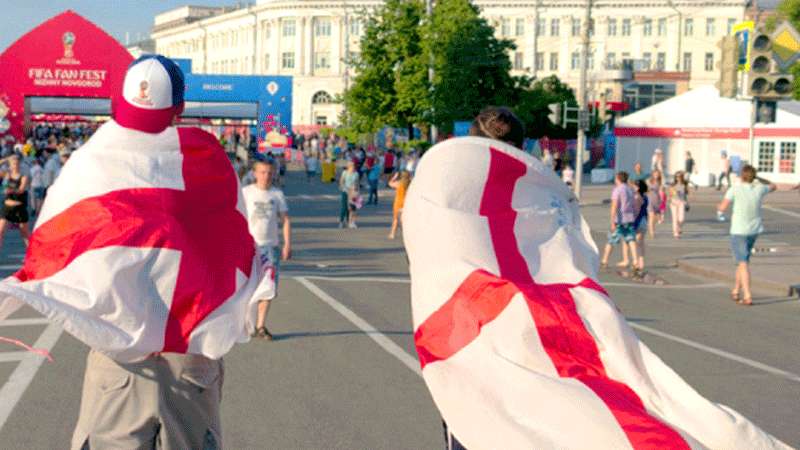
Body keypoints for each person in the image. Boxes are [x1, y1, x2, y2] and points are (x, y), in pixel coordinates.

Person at [242, 159, 292, 339]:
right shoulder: (246, 193)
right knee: (247, 286)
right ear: (254, 173)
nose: (266, 176)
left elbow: (285, 220)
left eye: (270, 173)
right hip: (249, 247)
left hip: (270, 247)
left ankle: (260, 326)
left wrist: (287, 244)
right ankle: (243, 322)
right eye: (262, 172)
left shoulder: (277, 194)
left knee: (269, 287)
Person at [717, 165, 776, 306]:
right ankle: (736, 290)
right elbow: (774, 186)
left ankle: (748, 295)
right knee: (743, 260)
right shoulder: (759, 188)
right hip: (754, 230)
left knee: (742, 263)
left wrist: (719, 208)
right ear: (753, 177)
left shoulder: (735, 189)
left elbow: (723, 207)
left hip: (739, 230)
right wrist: (758, 178)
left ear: (741, 176)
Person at [600, 171, 639, 272]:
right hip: (629, 218)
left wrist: (612, 221)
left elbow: (614, 206)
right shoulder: (630, 190)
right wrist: (634, 216)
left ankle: (605, 260)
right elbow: (635, 205)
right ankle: (635, 261)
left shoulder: (617, 190)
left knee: (611, 240)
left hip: (619, 219)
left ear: (618, 179)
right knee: (630, 239)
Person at [0, 155, 31, 249]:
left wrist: (11, 190)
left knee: (25, 234)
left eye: (17, 163)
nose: (15, 165)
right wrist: (5, 159)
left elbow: (21, 190)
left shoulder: (23, 177)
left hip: (19, 207)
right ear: (10, 165)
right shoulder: (6, 175)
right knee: (0, 232)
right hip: (7, 207)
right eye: (13, 163)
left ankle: (32, 256)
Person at [388, 171, 411, 239]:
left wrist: (394, 177)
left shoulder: (398, 184)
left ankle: (392, 234)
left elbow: (390, 183)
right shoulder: (409, 183)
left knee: (395, 219)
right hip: (406, 203)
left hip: (398, 203)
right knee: (403, 219)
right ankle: (405, 233)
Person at [339, 159, 360, 228]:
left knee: (353, 208)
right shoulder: (344, 172)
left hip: (353, 193)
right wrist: (344, 188)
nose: (353, 167)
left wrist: (357, 191)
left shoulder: (356, 174)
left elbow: (357, 183)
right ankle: (341, 222)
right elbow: (341, 182)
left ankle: (351, 222)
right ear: (348, 166)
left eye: (354, 165)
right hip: (345, 191)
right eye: (352, 166)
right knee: (344, 207)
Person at [669, 171, 689, 238]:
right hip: (674, 202)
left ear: (682, 177)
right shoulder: (673, 185)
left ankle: (679, 227)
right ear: (675, 177)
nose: (678, 178)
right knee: (675, 219)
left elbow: (686, 194)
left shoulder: (684, 185)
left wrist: (687, 203)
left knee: (681, 219)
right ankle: (676, 233)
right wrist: (673, 192)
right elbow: (670, 194)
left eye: (680, 176)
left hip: (682, 202)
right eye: (677, 176)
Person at [646, 170, 664, 238]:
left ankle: (651, 226)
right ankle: (652, 232)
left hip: (657, 201)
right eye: (655, 174)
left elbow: (661, 192)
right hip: (649, 200)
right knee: (651, 216)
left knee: (656, 218)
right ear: (652, 174)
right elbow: (645, 189)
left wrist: (662, 200)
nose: (656, 175)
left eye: (658, 174)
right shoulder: (648, 181)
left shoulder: (660, 182)